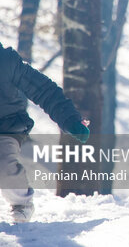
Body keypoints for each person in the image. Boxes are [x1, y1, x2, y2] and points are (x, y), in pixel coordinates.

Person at [0, 42, 90, 223]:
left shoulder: (6, 62)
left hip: (6, 128)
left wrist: (70, 119)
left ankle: (21, 203)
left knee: (2, 163)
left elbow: (44, 90)